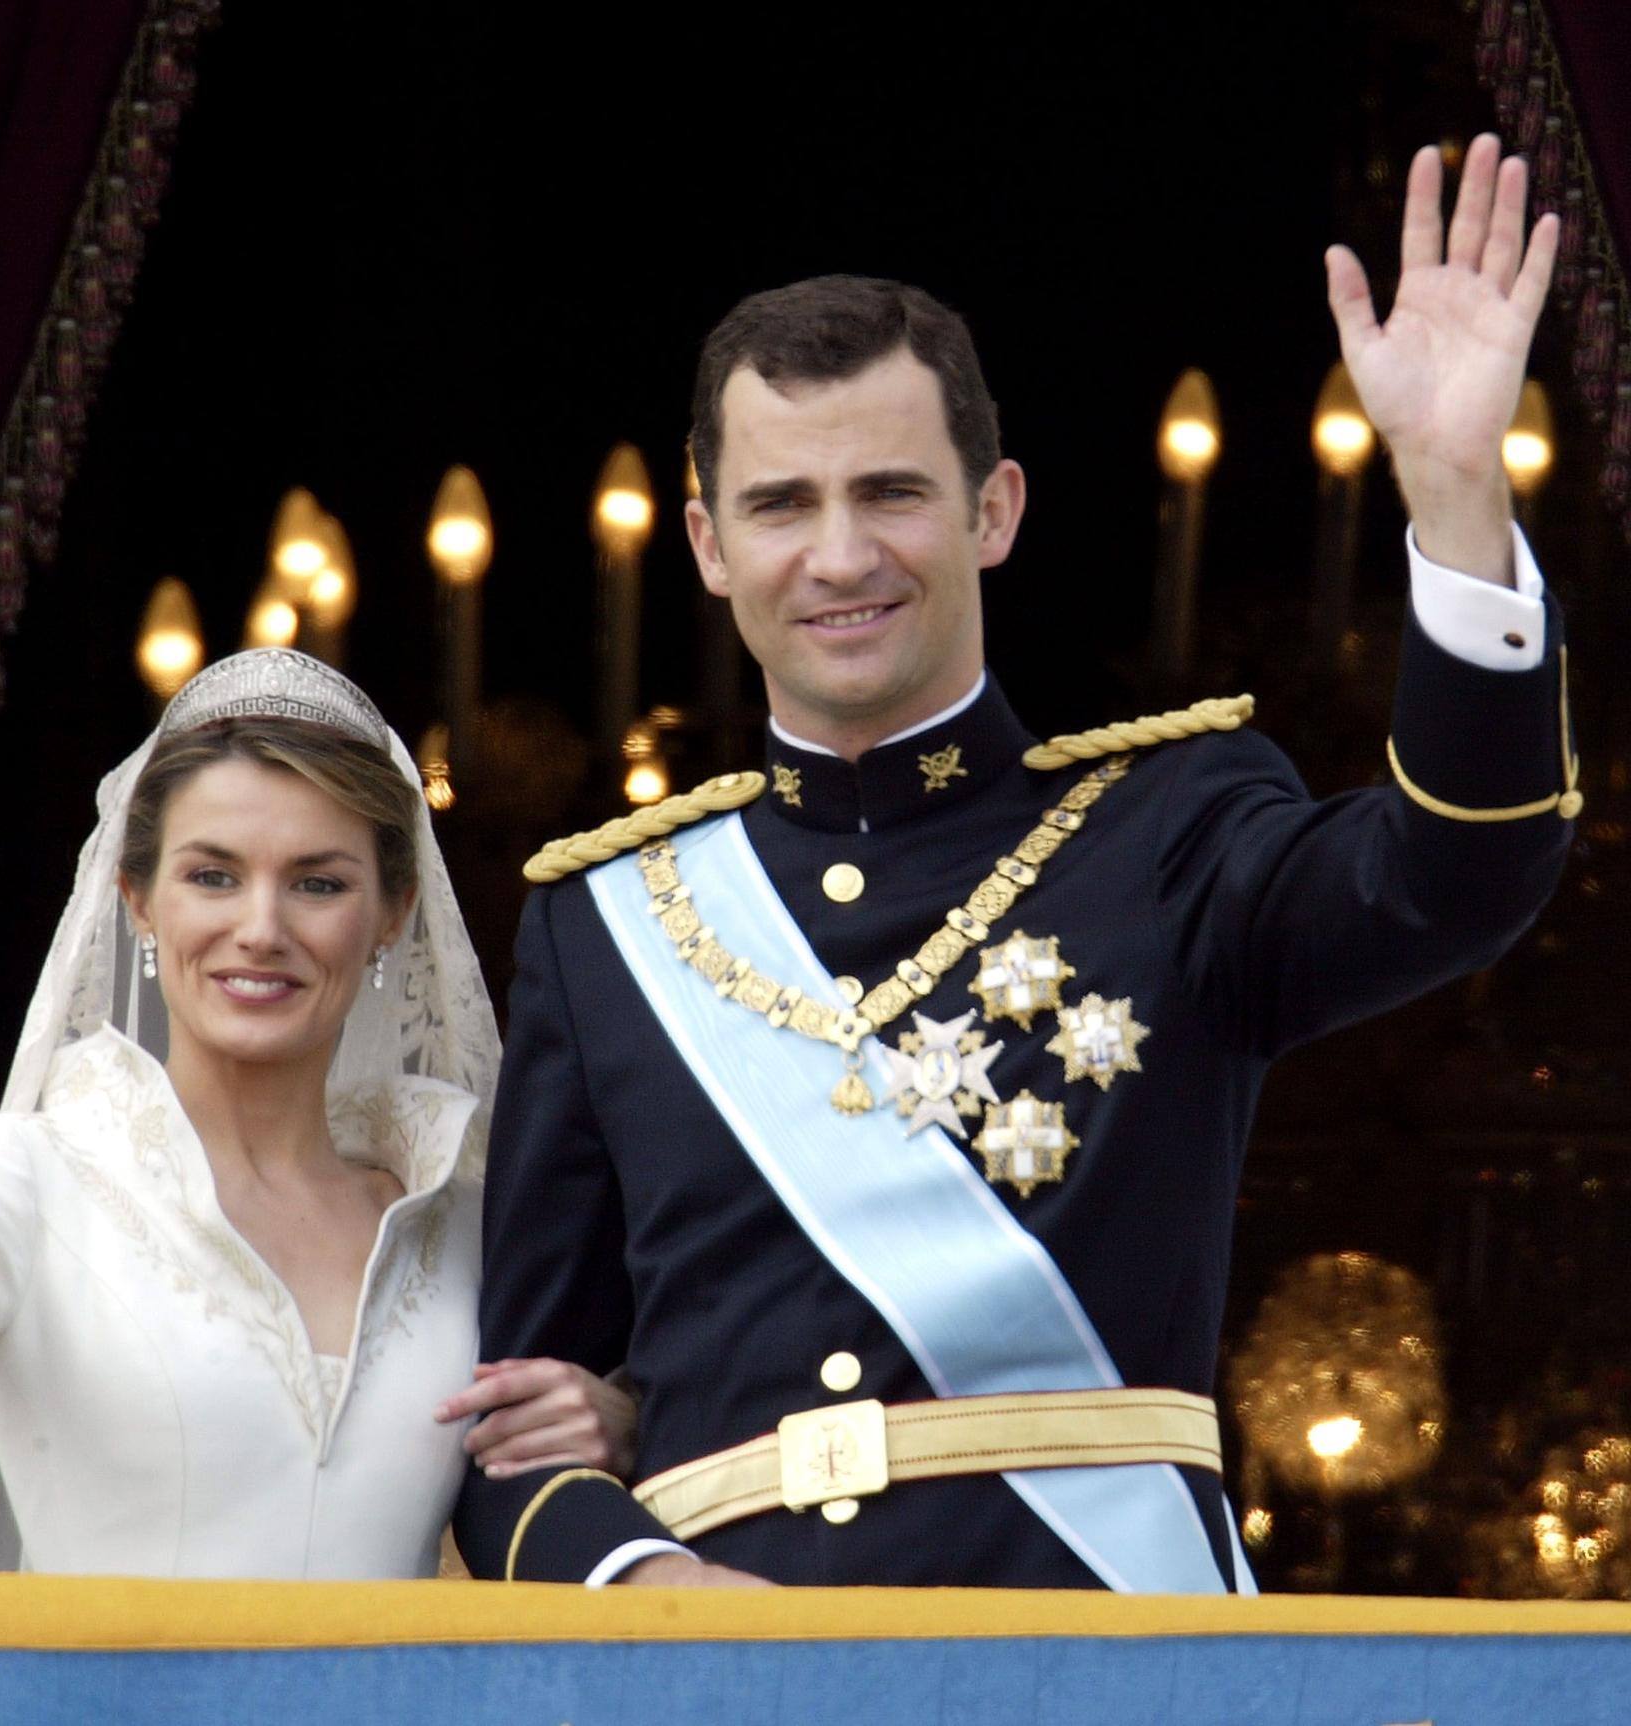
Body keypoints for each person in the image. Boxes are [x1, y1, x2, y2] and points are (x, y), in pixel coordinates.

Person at [451, 135, 1579, 1589]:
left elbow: (1461, 873)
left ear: (996, 512)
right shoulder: (603, 922)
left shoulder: (1171, 824)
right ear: (709, 545)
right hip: (726, 1682)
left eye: (894, 494)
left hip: (1099, 1653)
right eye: (782, 505)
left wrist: (1456, 500)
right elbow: (514, 1430)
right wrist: (641, 1581)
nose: (841, 554)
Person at [0, 649, 634, 1577]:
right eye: (212, 876)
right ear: (137, 898)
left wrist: (617, 1420)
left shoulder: (465, 1216)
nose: (261, 927)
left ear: (393, 912)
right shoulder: (26, 1181)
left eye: (319, 882)